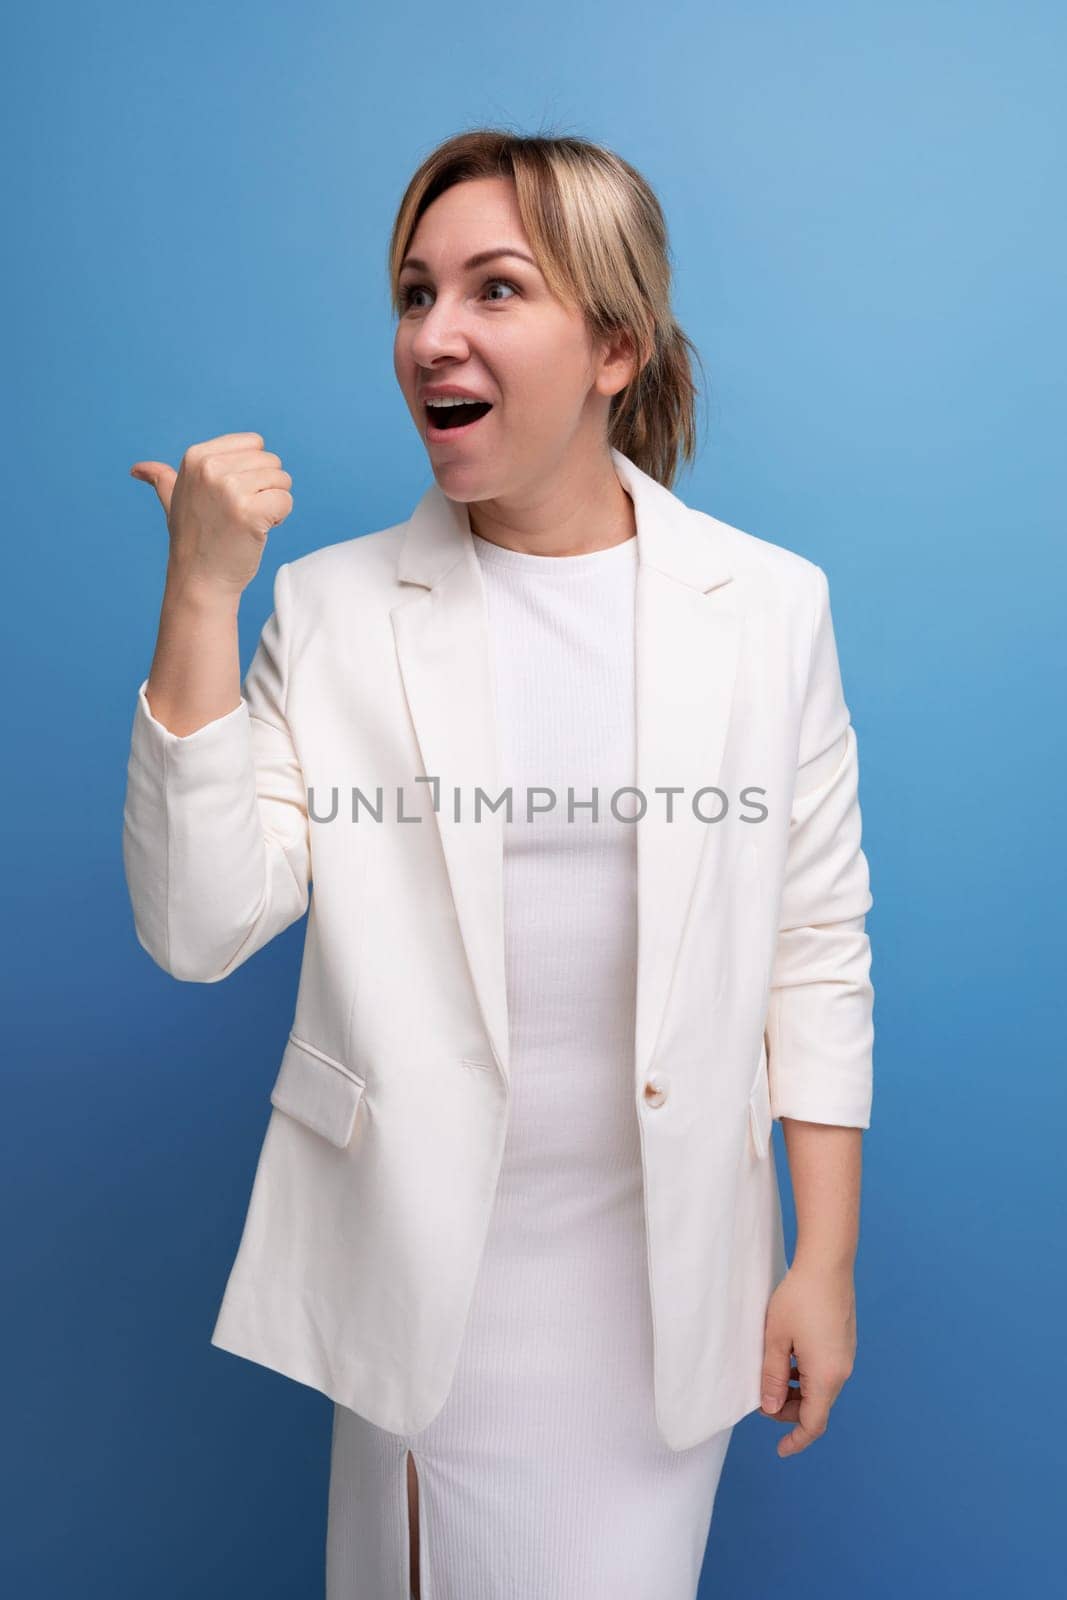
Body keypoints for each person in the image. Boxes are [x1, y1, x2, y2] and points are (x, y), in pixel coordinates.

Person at [124, 129, 874, 1600]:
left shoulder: (769, 609)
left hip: (668, 1295)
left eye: (493, 289)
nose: (433, 336)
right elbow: (199, 928)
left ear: (615, 346)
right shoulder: (338, 613)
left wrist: (823, 1258)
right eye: (414, 294)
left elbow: (817, 939)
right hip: (427, 1296)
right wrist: (204, 595)